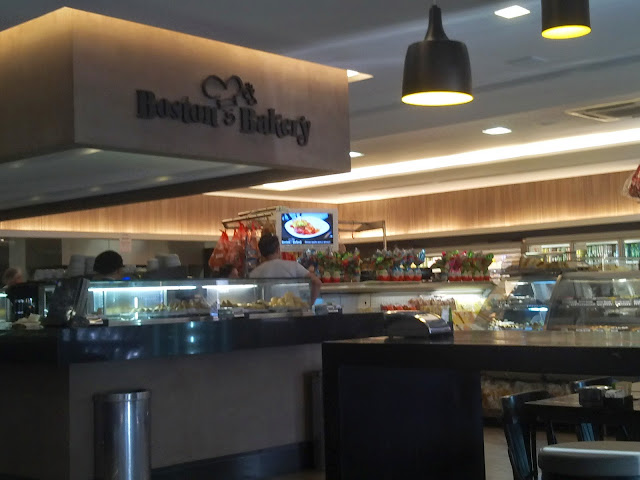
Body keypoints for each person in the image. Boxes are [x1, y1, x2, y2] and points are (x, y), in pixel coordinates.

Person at [249, 234, 322, 304]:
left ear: (260, 252)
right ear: (278, 250)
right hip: (294, 310)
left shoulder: (255, 273)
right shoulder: (293, 266)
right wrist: (309, 304)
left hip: (266, 311)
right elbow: (317, 282)